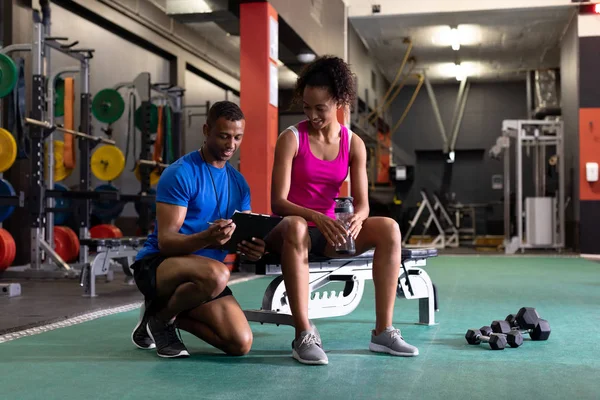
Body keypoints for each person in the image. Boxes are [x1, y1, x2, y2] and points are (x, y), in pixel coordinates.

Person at [265, 56, 418, 365]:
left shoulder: (354, 144)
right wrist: (318, 216)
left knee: (389, 227)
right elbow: (277, 203)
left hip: (329, 233)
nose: (312, 114)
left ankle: (383, 332)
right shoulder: (291, 139)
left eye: (319, 108)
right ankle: (304, 334)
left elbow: (362, 204)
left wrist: (356, 221)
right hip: (291, 232)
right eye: (307, 107)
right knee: (295, 225)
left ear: (338, 101)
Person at [130, 101, 266, 358]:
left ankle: (162, 313)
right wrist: (207, 238)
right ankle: (161, 319)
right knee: (217, 274)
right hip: (159, 265)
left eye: (238, 137)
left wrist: (253, 249)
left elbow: (242, 237)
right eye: (224, 136)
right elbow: (166, 242)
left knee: (240, 344)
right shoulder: (180, 173)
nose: (231, 145)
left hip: (206, 279)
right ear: (206, 130)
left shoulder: (239, 184)